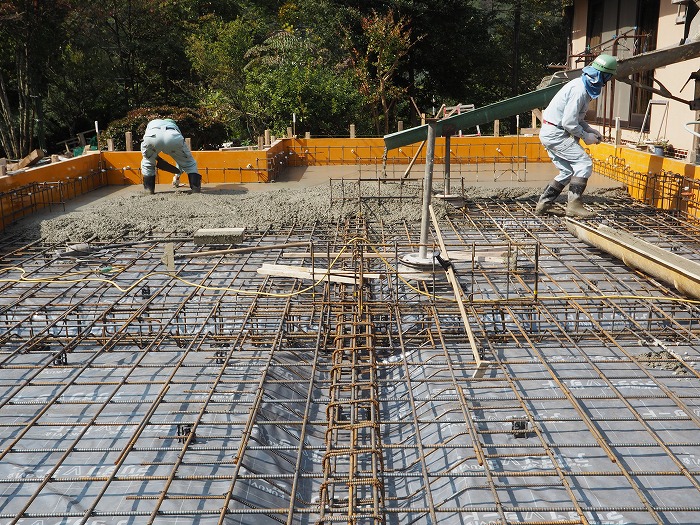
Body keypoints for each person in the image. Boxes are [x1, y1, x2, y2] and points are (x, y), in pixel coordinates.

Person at [535, 53, 617, 218]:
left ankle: (544, 205)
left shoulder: (581, 85)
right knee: (584, 163)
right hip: (556, 133)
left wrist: (590, 130)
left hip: (551, 131)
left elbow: (576, 119)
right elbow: (569, 123)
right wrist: (585, 137)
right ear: (604, 76)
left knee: (566, 171)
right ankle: (574, 206)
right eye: (608, 78)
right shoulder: (579, 90)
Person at [140, 118, 202, 194]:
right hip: (172, 136)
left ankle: (148, 190)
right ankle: (196, 190)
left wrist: (153, 157)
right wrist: (177, 175)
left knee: (148, 162)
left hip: (152, 136)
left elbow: (148, 149)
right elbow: (180, 159)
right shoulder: (173, 126)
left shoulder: (152, 123)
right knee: (189, 164)